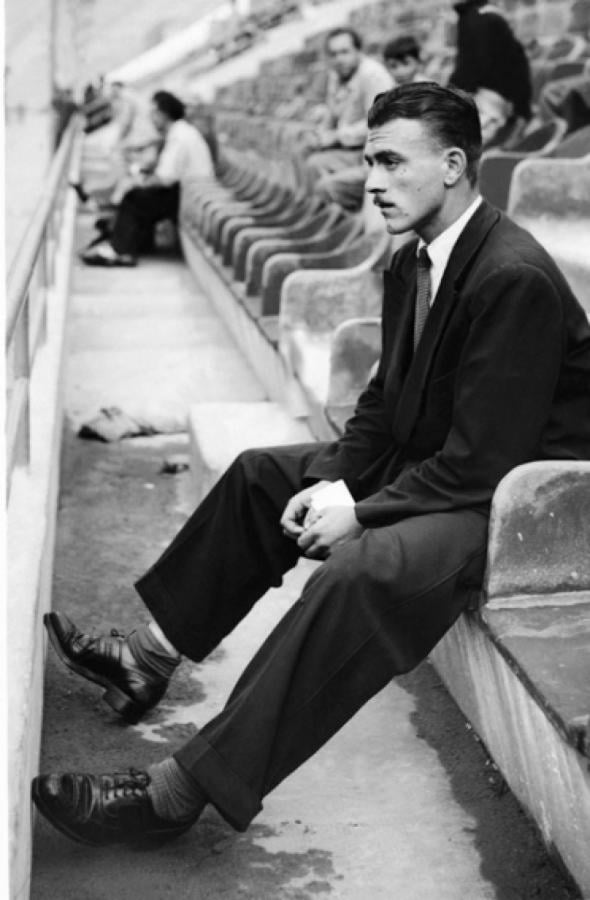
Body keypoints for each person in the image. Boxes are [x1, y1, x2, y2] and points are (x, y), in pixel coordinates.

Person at [33, 82, 590, 847]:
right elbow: (384, 405)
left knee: (361, 573)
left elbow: (481, 467)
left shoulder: (512, 277)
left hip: (517, 505)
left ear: (455, 164)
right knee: (264, 474)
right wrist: (340, 478)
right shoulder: (414, 260)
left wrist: (359, 512)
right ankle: (147, 658)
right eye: (369, 161)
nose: (371, 181)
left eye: (392, 162)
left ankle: (179, 791)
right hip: (445, 460)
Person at [81, 90, 214, 266]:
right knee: (141, 194)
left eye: (153, 113)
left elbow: (164, 178)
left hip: (191, 196)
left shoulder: (180, 137)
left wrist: (136, 182)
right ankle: (137, 244)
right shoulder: (180, 132)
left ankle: (121, 250)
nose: (151, 118)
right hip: (191, 192)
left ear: (163, 114)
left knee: (134, 198)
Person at [304, 27, 392, 211]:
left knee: (326, 184)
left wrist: (336, 137)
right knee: (310, 160)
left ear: (358, 51)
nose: (339, 59)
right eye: (334, 54)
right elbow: (332, 112)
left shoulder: (372, 76)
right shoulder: (337, 75)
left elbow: (379, 124)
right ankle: (327, 213)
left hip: (375, 154)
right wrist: (321, 134)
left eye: (344, 52)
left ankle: (345, 217)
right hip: (353, 148)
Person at [449, 0, 532, 148]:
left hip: (493, 101)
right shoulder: (471, 16)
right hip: (485, 96)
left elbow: (471, 70)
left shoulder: (483, 19)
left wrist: (521, 112)